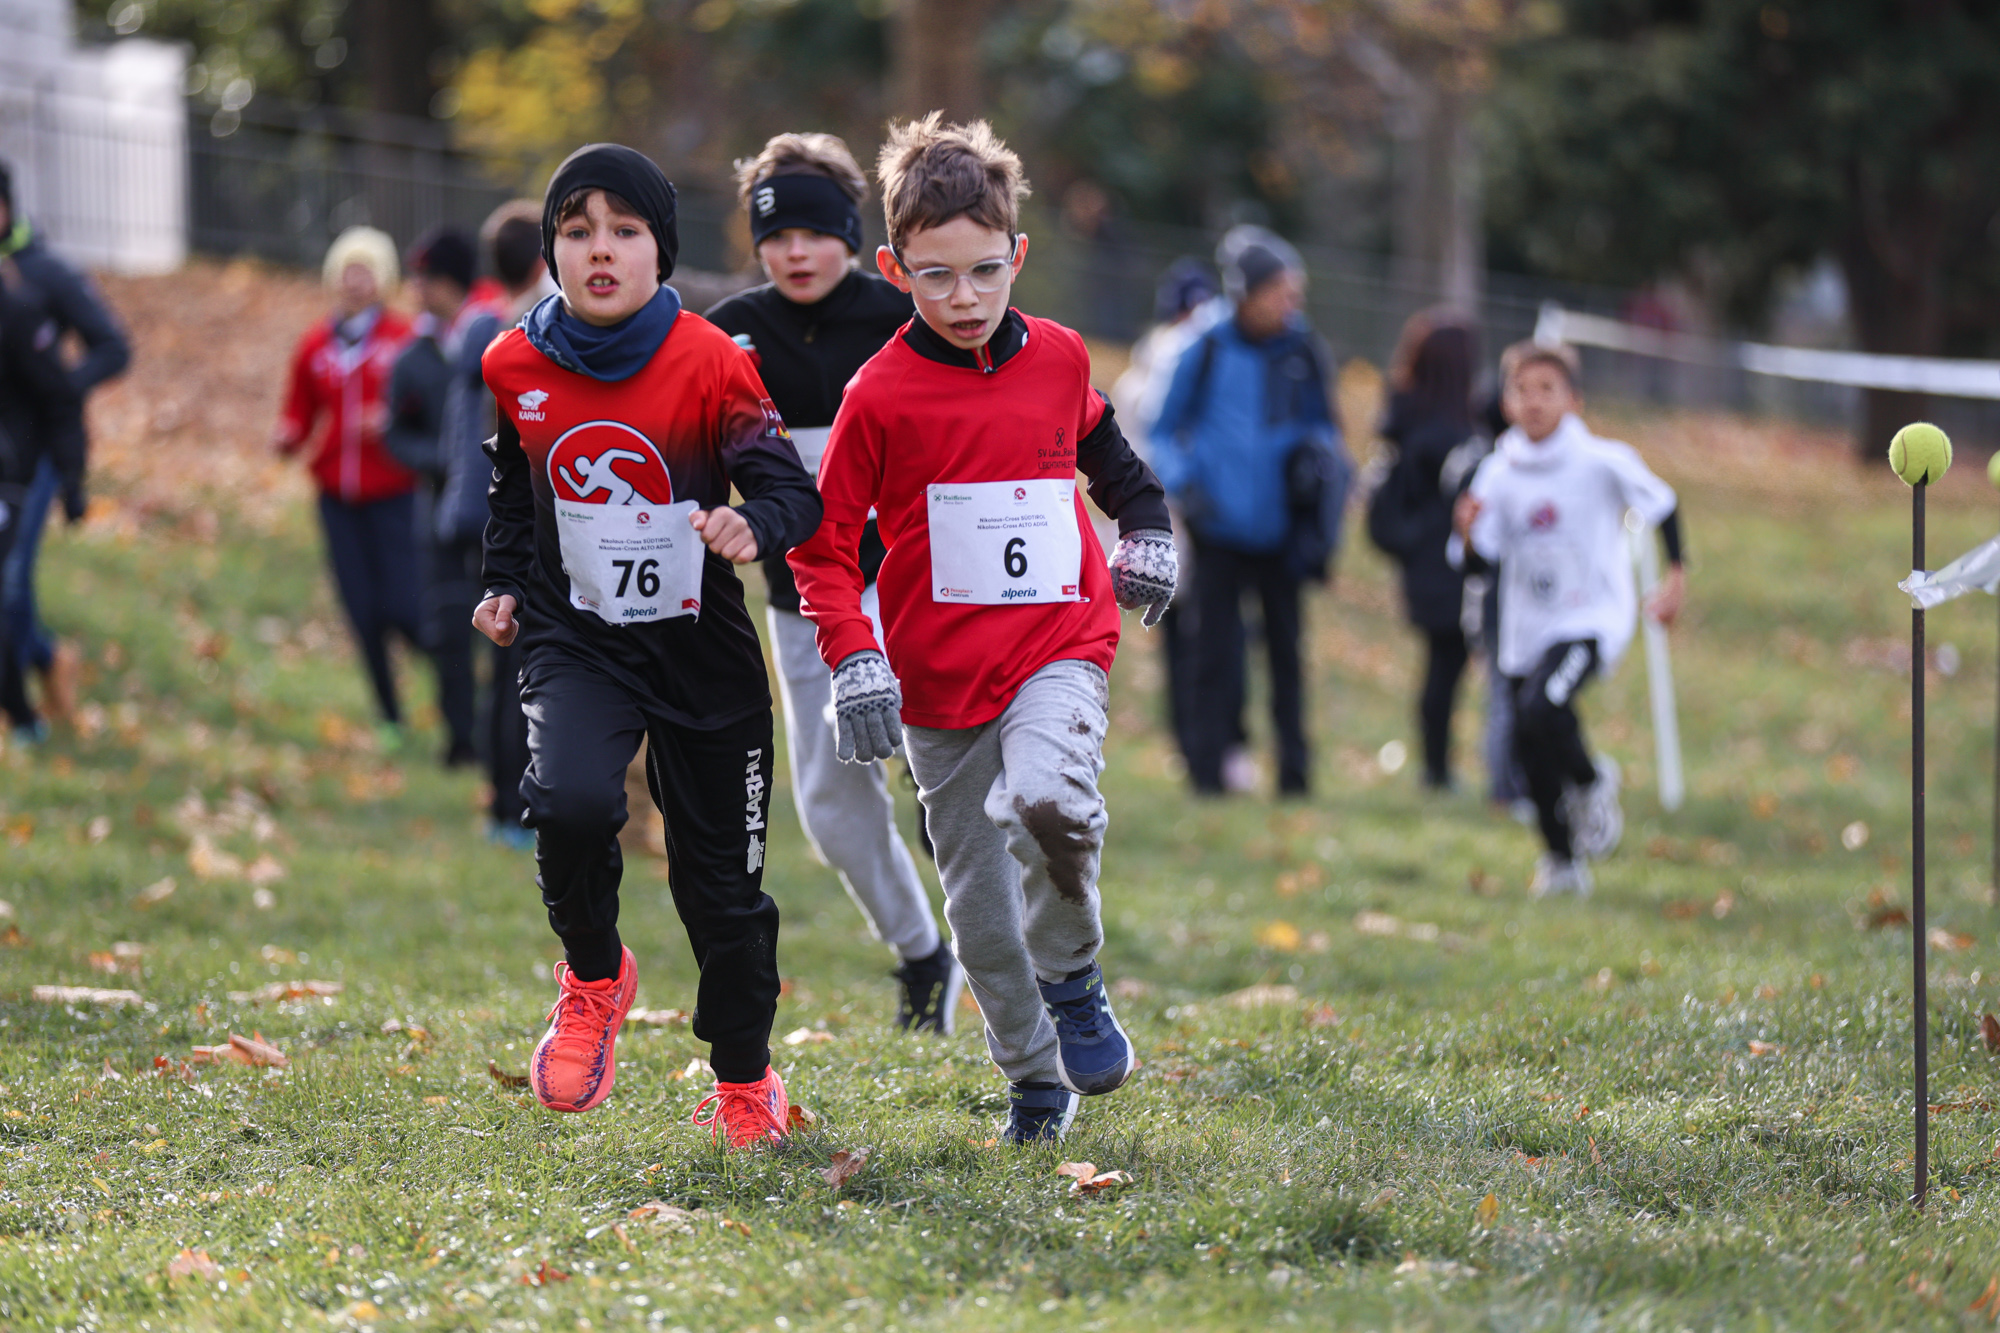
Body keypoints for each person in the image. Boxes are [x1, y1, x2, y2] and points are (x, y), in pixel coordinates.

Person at [789, 115, 1175, 1144]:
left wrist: (1147, 531)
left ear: (1018, 255)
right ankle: (1035, 1081)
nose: (964, 298)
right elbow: (822, 548)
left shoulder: (1059, 357)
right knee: (981, 919)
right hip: (938, 684)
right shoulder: (877, 395)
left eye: (984, 272)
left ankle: (1076, 980)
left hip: (1059, 644)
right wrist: (854, 657)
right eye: (936, 277)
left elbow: (1114, 464)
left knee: (1051, 801)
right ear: (893, 269)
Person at [474, 144, 822, 1147]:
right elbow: (514, 488)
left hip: (701, 654)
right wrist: (502, 582)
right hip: (576, 637)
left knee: (720, 893)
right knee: (572, 802)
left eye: (624, 231)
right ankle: (592, 978)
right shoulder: (511, 363)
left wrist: (752, 522)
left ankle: (744, 1078)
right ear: (551, 250)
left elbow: (787, 488)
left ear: (659, 251)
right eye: (576, 230)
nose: (600, 250)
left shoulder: (711, 361)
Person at [703, 132, 959, 1031]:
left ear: (850, 234)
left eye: (814, 232)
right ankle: (922, 953)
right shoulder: (729, 332)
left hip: (912, 586)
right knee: (829, 810)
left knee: (930, 753)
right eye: (777, 236)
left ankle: (984, 892)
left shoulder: (907, 314)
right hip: (800, 601)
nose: (796, 251)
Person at [1455, 341, 1686, 897]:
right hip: (1525, 630)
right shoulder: (1496, 473)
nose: (1534, 401)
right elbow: (1480, 565)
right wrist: (1467, 535)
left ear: (1573, 400)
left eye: (1547, 389)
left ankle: (1588, 781)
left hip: (1591, 618)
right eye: (1521, 390)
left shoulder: (1602, 461)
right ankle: (1561, 862)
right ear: (1506, 403)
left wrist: (1675, 577)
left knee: (1543, 705)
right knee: (1527, 741)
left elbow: (1664, 504)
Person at [1149, 225, 1348, 797]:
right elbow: (1163, 430)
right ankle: (1205, 775)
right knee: (1212, 655)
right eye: (1282, 292)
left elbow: (1326, 427)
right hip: (1217, 527)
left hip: (1284, 528)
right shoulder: (1204, 345)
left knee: (1286, 654)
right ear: (1249, 294)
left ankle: (1295, 777)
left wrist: (1317, 464)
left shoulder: (1303, 349)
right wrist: (1186, 487)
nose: (1292, 304)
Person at [273, 227, 423, 749]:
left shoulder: (404, 338)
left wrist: (392, 420)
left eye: (366, 272)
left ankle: (453, 680)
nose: (354, 282)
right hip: (336, 497)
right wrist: (288, 434)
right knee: (361, 610)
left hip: (395, 492)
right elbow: (299, 409)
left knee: (404, 607)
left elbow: (428, 408)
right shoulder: (314, 343)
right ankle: (389, 716)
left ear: (383, 280)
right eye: (346, 271)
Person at [431, 204, 550, 848]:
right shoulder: (537, 328)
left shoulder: (493, 327)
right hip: (523, 526)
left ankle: (503, 804)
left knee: (503, 668)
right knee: (521, 669)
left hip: (485, 520)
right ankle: (514, 805)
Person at [0, 160, 131, 730]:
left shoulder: (46, 274)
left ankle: (36, 678)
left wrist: (55, 386)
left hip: (41, 452)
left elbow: (113, 347)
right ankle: (40, 661)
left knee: (11, 577)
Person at [387, 225, 501, 769]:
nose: (417, 289)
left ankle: (502, 736)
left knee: (500, 626)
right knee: (448, 626)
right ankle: (461, 740)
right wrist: (442, 462)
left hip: (492, 513)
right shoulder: (413, 357)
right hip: (435, 514)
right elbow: (397, 432)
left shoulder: (496, 335)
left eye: (425, 278)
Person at [1111, 258, 1219, 776]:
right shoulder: (1150, 373)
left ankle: (1205, 741)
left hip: (1198, 517)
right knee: (1184, 636)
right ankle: (1190, 741)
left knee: (1203, 635)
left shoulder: (1205, 363)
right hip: (1169, 520)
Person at [1367, 312, 1479, 790]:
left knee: (1443, 664)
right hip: (1443, 567)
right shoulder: (1443, 434)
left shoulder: (1409, 420)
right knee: (1445, 665)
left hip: (1424, 566)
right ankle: (1436, 769)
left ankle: (1438, 766)